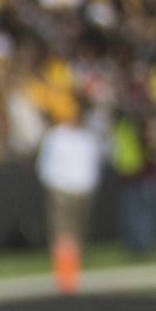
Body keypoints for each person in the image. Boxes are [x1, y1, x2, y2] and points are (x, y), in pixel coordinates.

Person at [37, 108, 104, 294]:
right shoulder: (56, 137)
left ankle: (75, 273)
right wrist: (55, 187)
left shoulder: (87, 137)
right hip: (62, 191)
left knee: (79, 233)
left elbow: (93, 163)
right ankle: (66, 278)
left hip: (83, 191)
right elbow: (45, 166)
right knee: (64, 234)